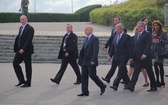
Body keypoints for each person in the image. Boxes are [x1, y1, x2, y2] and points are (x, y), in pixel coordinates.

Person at [124, 21, 157, 92]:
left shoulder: (147, 34)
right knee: (136, 71)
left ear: (142, 27)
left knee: (150, 71)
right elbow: (135, 47)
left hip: (146, 57)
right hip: (138, 57)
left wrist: (145, 54)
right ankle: (131, 86)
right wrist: (132, 57)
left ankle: (153, 86)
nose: (137, 28)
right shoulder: (136, 34)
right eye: (137, 26)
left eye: (138, 26)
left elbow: (148, 46)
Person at [78, 25, 106, 96]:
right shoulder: (86, 39)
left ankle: (102, 85)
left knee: (92, 75)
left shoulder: (95, 38)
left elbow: (95, 50)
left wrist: (93, 60)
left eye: (87, 29)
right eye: (85, 29)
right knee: (84, 76)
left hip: (91, 61)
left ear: (91, 30)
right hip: (84, 60)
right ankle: (85, 91)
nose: (85, 31)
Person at [101, 16, 127, 83]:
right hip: (114, 49)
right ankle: (108, 78)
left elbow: (123, 40)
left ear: (120, 21)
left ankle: (124, 80)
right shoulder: (113, 30)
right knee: (116, 66)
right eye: (114, 20)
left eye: (117, 20)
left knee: (121, 67)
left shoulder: (123, 29)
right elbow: (111, 39)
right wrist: (106, 45)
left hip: (121, 52)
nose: (115, 21)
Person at [108, 23, 132, 91]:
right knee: (124, 72)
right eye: (116, 29)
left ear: (122, 29)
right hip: (116, 56)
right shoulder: (115, 36)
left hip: (124, 57)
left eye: (118, 29)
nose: (116, 30)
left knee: (120, 71)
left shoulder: (127, 37)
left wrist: (131, 57)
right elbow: (113, 47)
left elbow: (130, 48)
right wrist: (110, 55)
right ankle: (129, 84)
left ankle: (115, 85)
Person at [13, 15, 34, 87]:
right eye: (21, 19)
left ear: (27, 20)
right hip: (19, 49)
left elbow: (29, 40)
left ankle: (28, 82)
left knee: (27, 66)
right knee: (15, 63)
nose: (22, 21)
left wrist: (23, 49)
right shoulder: (20, 28)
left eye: (23, 19)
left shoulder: (30, 28)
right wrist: (17, 48)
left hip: (26, 50)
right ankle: (21, 80)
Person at [152, 20, 168, 87]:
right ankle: (161, 81)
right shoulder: (153, 32)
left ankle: (158, 81)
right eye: (154, 26)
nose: (155, 27)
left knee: (155, 64)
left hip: (161, 51)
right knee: (160, 66)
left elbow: (167, 40)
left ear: (159, 26)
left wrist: (161, 40)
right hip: (155, 50)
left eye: (157, 25)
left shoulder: (163, 33)